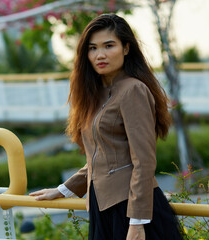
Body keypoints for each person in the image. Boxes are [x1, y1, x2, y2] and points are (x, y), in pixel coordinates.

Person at [30, 14, 184, 240]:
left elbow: (143, 160)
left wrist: (137, 222)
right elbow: (102, 157)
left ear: (126, 48)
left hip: (130, 210)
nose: (99, 55)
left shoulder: (133, 90)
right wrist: (64, 189)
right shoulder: (95, 95)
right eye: (92, 48)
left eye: (109, 46)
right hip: (102, 208)